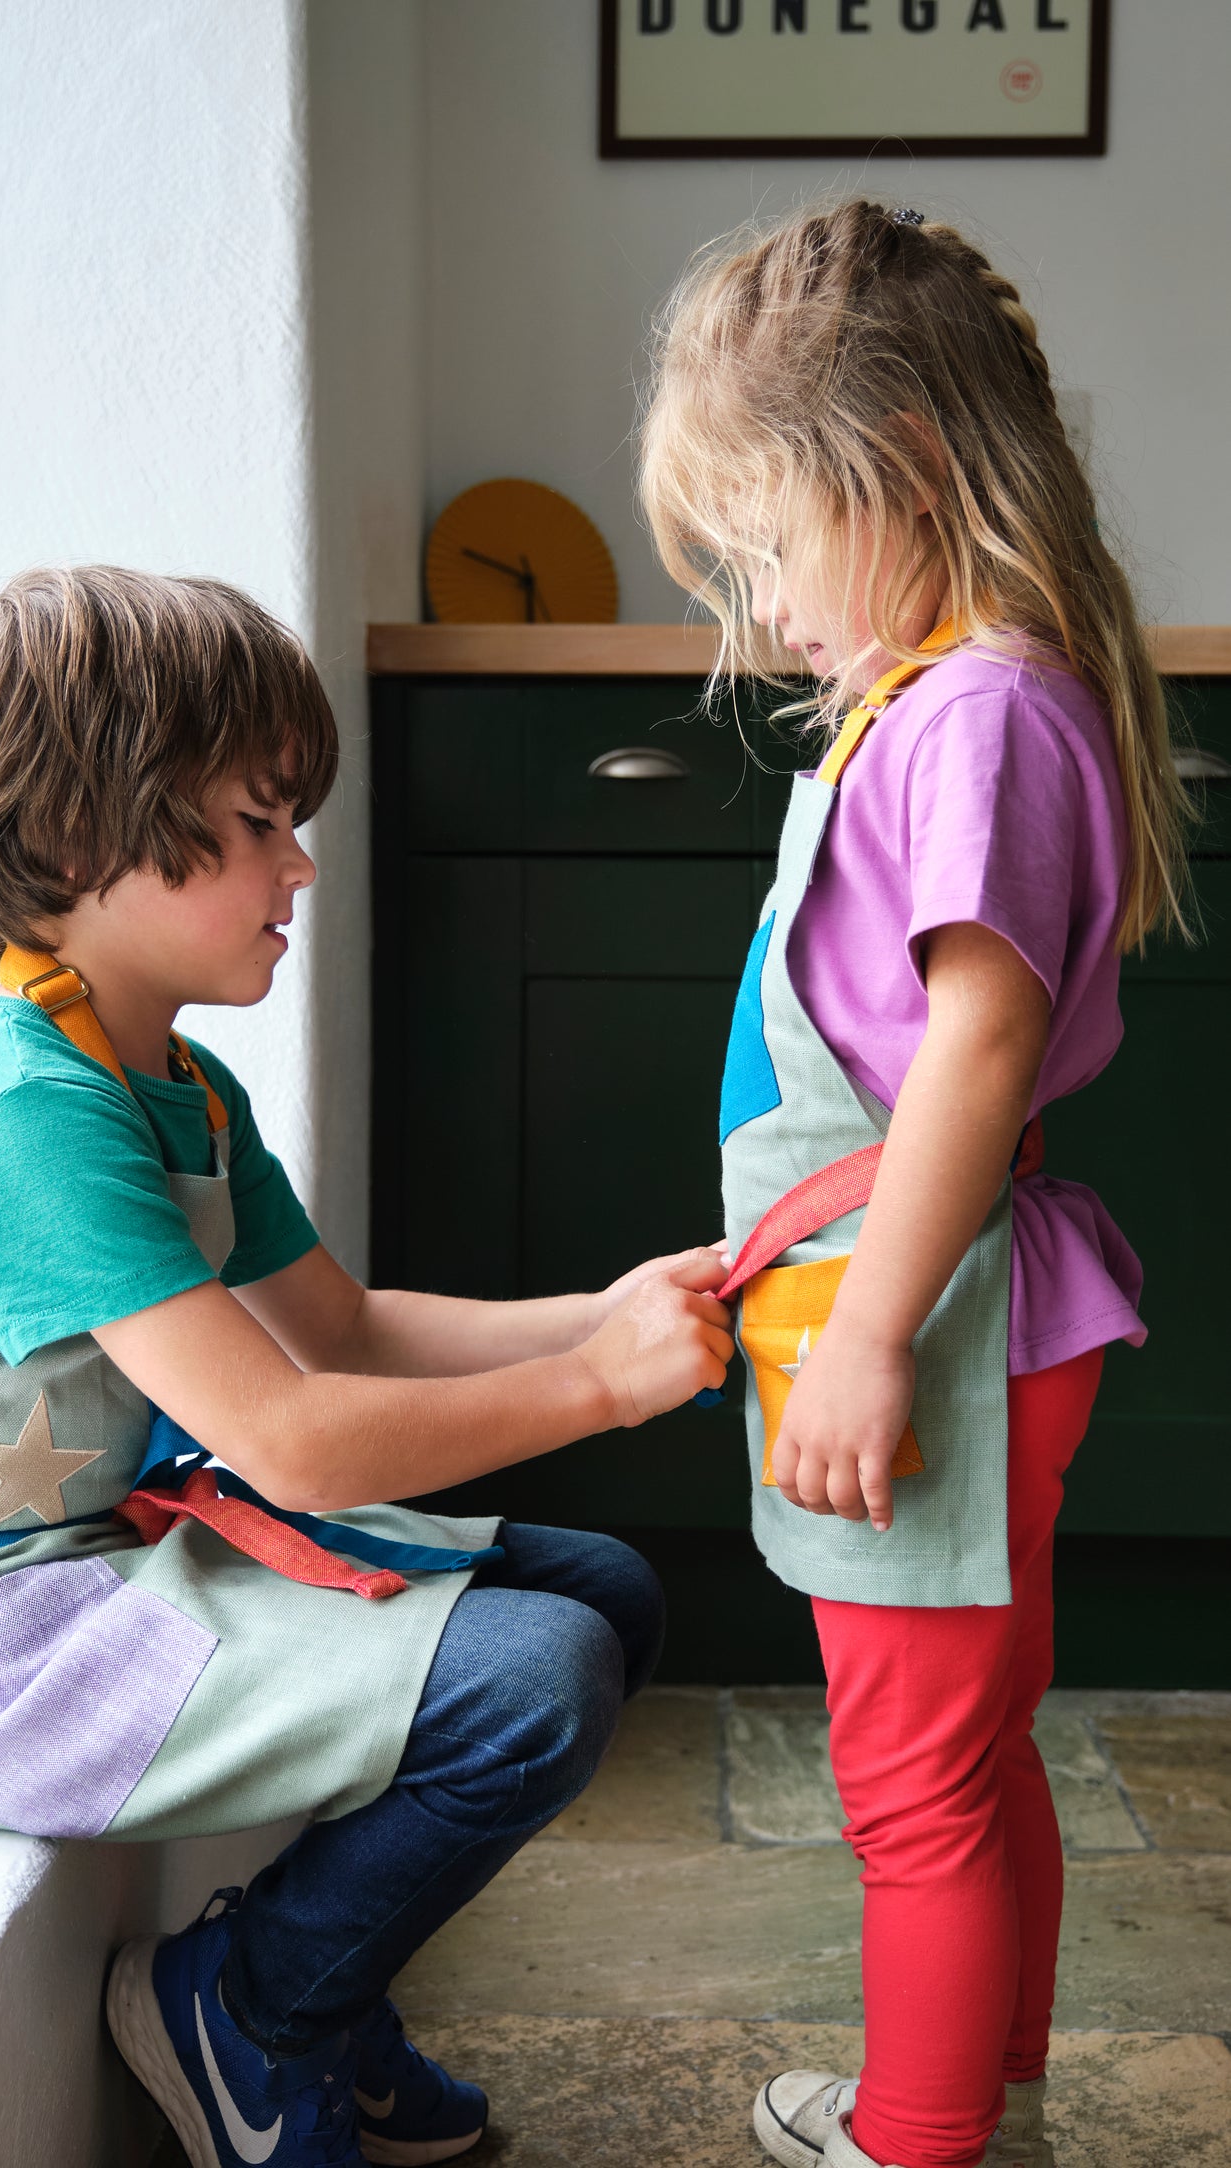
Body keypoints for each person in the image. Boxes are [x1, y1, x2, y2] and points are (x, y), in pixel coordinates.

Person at [0, 565, 733, 2168]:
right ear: (76, 839)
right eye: (252, 824)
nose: (298, 864)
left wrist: (601, 1312)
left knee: (606, 1595)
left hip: (105, 1554)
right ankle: (257, 2010)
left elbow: (349, 1330)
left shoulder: (176, 1084)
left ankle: (319, 1980)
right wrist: (600, 1390)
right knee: (534, 1683)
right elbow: (293, 1438)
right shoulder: (21, 1110)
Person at [639, 202, 1188, 2168]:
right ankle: (993, 2094)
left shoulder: (974, 710)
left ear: (914, 478)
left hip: (934, 1326)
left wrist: (868, 1333)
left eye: (778, 545)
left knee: (913, 1785)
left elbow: (974, 1050)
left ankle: (920, 2132)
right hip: (923, 1307)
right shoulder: (953, 699)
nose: (773, 605)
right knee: (969, 1748)